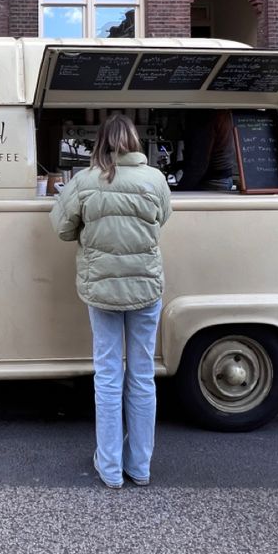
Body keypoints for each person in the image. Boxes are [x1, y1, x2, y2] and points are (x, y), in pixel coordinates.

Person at [50, 113, 172, 488]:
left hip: (101, 290)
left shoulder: (84, 181)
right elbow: (162, 218)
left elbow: (62, 229)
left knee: (107, 375)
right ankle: (140, 467)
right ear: (135, 142)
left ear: (99, 144)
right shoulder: (154, 179)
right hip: (145, 289)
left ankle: (109, 468)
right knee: (142, 375)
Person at [174, 109, 235, 192]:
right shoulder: (222, 111)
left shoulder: (204, 115)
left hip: (212, 180)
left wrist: (178, 192)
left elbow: (199, 164)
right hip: (222, 177)